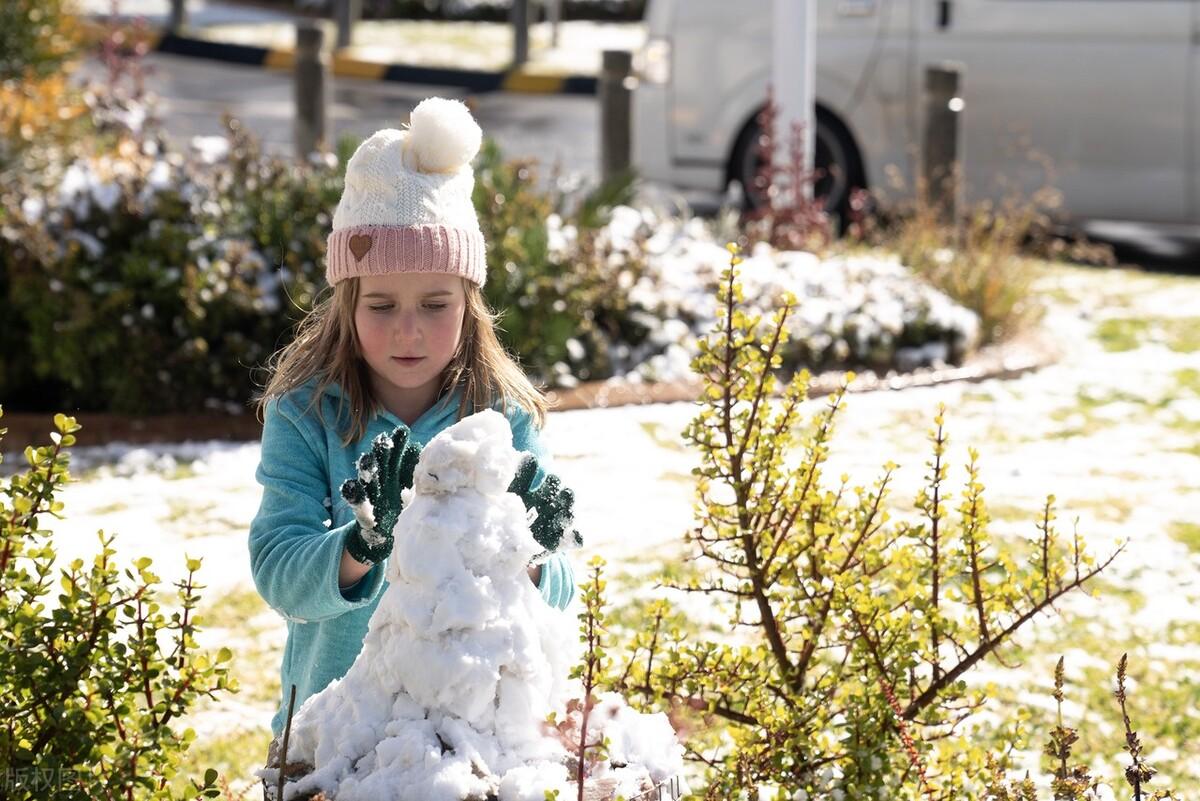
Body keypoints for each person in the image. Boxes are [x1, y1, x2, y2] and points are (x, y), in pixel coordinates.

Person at [247, 97, 578, 749]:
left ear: (468, 301)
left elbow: (562, 585)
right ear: (346, 302)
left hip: (468, 740)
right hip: (333, 742)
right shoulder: (306, 411)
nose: (408, 328)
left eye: (435, 302)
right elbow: (278, 568)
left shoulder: (500, 415)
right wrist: (360, 545)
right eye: (381, 303)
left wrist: (536, 548)